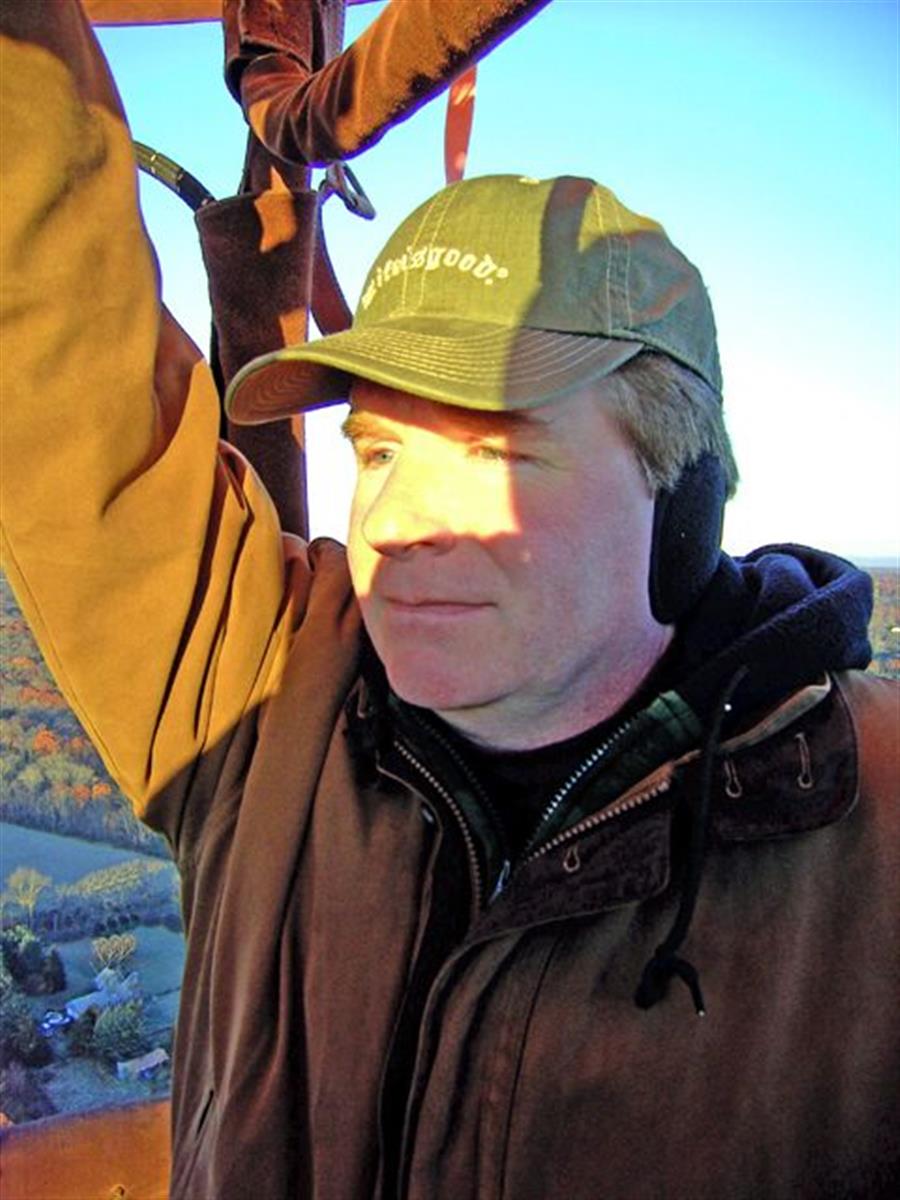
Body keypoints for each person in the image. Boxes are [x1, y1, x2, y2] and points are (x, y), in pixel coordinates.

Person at [1, 5, 898, 1200]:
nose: (396, 523)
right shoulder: (262, 699)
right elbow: (49, 312)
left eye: (494, 454)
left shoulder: (874, 841)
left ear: (681, 499)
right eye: (378, 452)